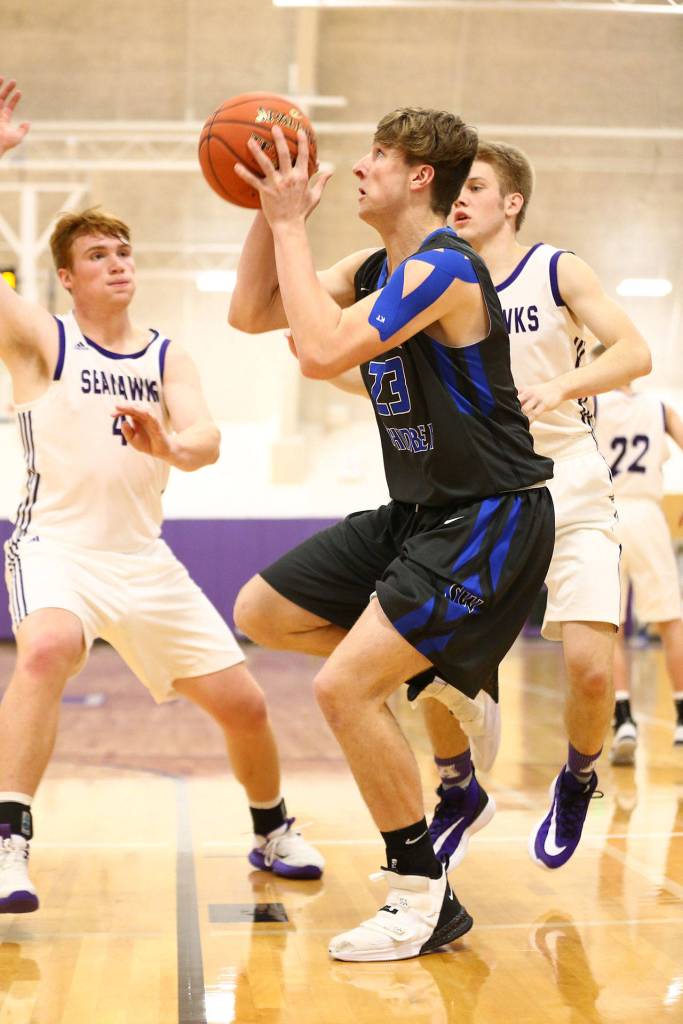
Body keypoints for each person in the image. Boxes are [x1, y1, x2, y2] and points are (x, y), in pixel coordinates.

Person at [228, 107, 556, 962]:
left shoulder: (445, 270)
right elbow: (251, 312)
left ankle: (420, 896)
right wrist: (264, 214)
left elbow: (323, 348)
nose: (360, 166)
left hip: (489, 513)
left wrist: (293, 223)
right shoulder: (374, 265)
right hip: (418, 512)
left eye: (379, 154)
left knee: (341, 690)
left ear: (419, 178)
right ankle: (436, 677)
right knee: (262, 611)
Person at [0, 77, 323, 915]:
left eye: (124, 252)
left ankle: (271, 826)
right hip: (55, 548)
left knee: (245, 704)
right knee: (43, 651)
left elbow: (207, 440)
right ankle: (8, 841)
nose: (118, 265)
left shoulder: (166, 354)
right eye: (98, 256)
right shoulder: (42, 339)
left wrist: (170, 444)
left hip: (143, 561)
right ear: (65, 278)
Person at [421, 141, 651, 871]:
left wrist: (565, 387)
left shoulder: (555, 269)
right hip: (478, 494)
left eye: (476, 186)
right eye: (454, 187)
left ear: (510, 201)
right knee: (418, 654)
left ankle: (578, 778)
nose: (459, 197)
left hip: (571, 486)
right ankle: (457, 787)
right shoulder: (435, 279)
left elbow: (633, 352)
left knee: (589, 669)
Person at [593, 381, 683, 763]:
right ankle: (681, 718)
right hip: (647, 514)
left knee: (609, 625)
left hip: (603, 516)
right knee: (671, 620)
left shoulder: (590, 400)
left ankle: (624, 719)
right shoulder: (660, 407)